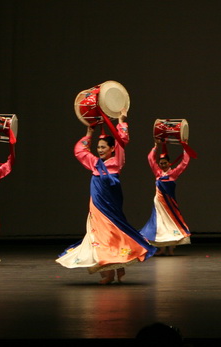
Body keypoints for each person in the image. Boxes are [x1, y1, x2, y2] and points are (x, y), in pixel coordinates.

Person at [57, 111, 155, 283]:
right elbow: (80, 151)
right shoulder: (95, 163)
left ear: (112, 149)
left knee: (113, 233)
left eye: (104, 147)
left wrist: (121, 122)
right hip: (97, 206)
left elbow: (122, 141)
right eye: (98, 147)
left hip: (110, 204)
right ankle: (113, 270)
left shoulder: (117, 160)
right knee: (101, 235)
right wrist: (89, 133)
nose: (100, 150)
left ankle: (111, 272)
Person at [140, 143, 192, 256]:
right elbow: (150, 158)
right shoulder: (157, 173)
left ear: (169, 163)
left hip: (170, 205)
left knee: (172, 225)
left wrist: (185, 147)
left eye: (165, 163)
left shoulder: (173, 173)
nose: (163, 165)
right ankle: (162, 249)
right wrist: (155, 146)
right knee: (161, 226)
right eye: (161, 163)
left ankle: (171, 249)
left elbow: (184, 162)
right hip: (159, 204)